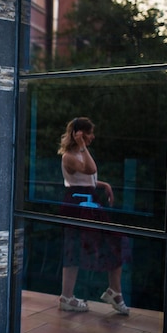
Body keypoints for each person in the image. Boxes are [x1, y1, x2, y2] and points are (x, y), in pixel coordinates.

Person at [57, 117, 130, 315]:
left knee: (113, 241)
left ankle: (113, 292)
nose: (92, 136)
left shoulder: (79, 154)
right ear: (78, 133)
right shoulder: (68, 156)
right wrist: (82, 146)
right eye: (88, 133)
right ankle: (68, 297)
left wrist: (103, 184)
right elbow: (90, 169)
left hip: (87, 202)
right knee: (74, 248)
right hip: (79, 204)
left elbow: (86, 178)